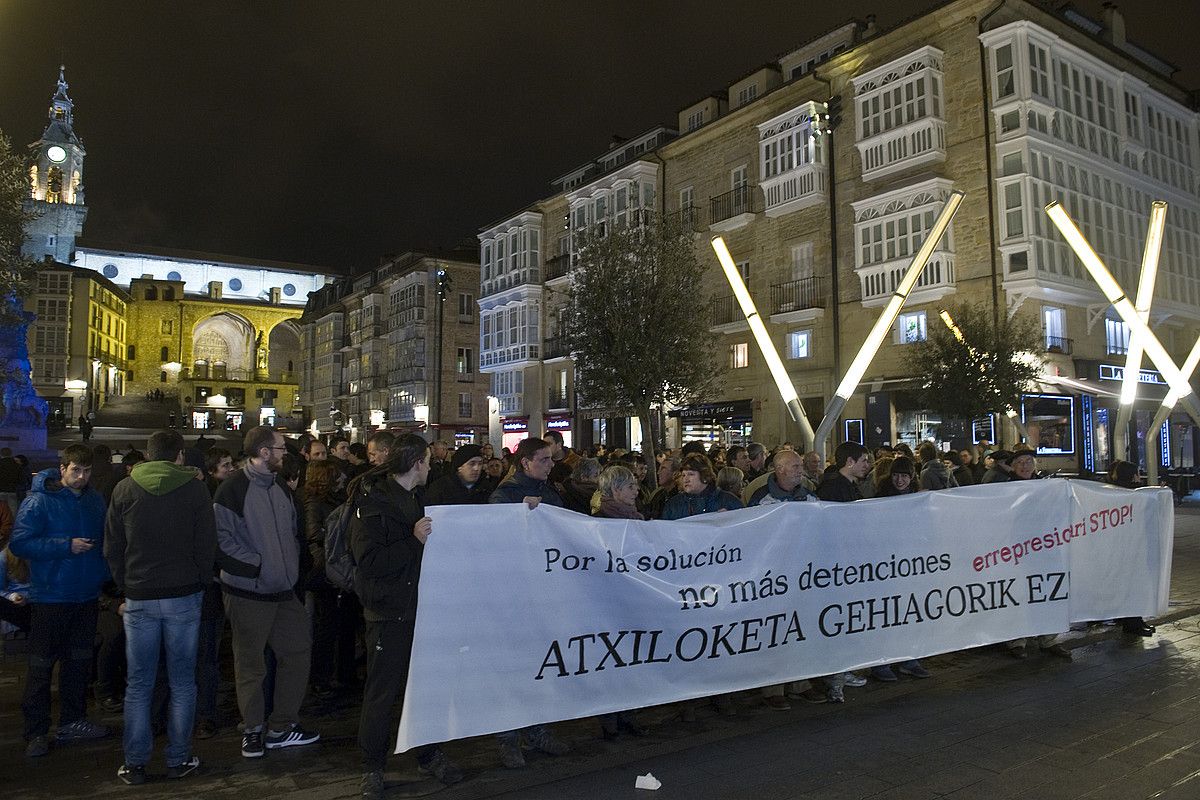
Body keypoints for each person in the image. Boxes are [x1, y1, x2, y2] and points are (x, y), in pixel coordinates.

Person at [350, 435, 464, 798]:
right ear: (416, 463)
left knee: (426, 687)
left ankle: (429, 753)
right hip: (388, 611)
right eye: (428, 461)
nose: (431, 466)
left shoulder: (417, 498)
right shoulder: (373, 503)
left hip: (421, 607)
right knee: (382, 692)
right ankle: (372, 765)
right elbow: (369, 561)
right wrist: (412, 540)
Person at [105, 430, 217, 784]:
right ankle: (178, 758)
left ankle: (135, 762)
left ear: (149, 456)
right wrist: (199, 579)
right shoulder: (194, 489)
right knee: (183, 680)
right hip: (184, 593)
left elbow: (112, 544)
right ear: (179, 456)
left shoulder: (125, 489)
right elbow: (206, 542)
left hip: (140, 595)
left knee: (139, 683)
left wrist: (124, 584)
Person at [214, 426, 319, 759]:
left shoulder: (281, 490)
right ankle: (254, 729)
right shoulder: (232, 490)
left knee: (298, 652)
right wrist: (257, 566)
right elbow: (221, 541)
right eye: (279, 448)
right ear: (262, 452)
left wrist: (291, 571)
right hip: (249, 592)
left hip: (284, 591)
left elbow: (292, 534)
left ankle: (282, 726)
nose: (284, 453)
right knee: (250, 664)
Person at [10, 444, 112, 757]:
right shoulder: (39, 501)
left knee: (78, 663)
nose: (82, 477)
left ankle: (72, 720)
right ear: (63, 468)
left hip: (85, 595)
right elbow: (20, 542)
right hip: (50, 595)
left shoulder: (94, 500)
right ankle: (36, 731)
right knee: (41, 667)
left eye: (87, 471)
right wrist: (65, 546)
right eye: (76, 471)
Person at [487, 437, 572, 767]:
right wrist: (518, 514)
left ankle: (537, 730)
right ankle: (508, 737)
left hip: (543, 589)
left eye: (551, 459)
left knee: (541, 662)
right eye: (544, 459)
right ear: (525, 463)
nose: (551, 465)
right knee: (513, 664)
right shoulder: (505, 495)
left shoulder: (550, 491)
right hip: (515, 593)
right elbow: (497, 537)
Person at [303, 459, 358, 698]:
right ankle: (322, 676)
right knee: (327, 625)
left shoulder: (337, 502)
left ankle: (345, 673)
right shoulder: (315, 504)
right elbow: (314, 535)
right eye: (338, 476)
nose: (343, 479)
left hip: (339, 568)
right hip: (328, 571)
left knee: (344, 623)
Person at [424, 444, 491, 506]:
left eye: (480, 464)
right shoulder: (440, 488)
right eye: (471, 464)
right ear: (459, 467)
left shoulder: (485, 487)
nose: (476, 468)